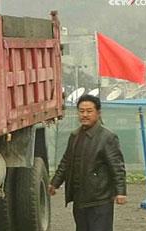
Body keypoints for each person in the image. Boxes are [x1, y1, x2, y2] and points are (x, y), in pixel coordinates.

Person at [48, 94, 127, 231]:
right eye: (81, 111)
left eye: (89, 111)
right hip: (80, 198)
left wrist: (121, 192)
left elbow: (117, 167)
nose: (85, 115)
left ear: (98, 113)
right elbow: (66, 162)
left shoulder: (107, 137)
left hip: (100, 199)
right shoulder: (75, 136)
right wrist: (55, 183)